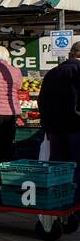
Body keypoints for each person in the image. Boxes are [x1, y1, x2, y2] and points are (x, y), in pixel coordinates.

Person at [37, 41, 80, 176]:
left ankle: (60, 195)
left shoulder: (52, 73)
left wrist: (47, 126)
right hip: (77, 127)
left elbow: (42, 101)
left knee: (58, 168)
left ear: (71, 54)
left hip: (55, 129)